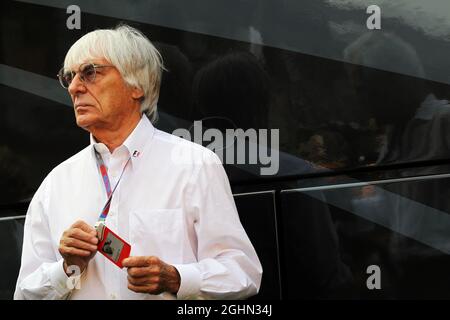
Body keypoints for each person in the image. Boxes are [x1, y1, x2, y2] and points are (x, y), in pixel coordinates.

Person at [14, 24, 262, 300]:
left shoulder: (195, 164)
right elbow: (24, 294)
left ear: (136, 85)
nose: (74, 87)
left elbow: (243, 273)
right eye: (69, 77)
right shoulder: (56, 183)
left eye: (90, 72)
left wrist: (177, 278)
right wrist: (66, 268)